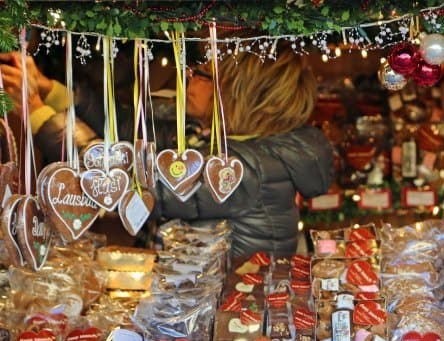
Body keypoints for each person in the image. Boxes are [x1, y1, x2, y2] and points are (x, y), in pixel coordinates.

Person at [0, 49, 335, 257]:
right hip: (196, 297)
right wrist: (51, 90)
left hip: (225, 314)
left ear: (236, 93)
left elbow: (128, 185)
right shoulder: (224, 138)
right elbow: (128, 129)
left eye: (201, 74)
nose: (189, 76)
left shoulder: (246, 167)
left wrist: (39, 114)